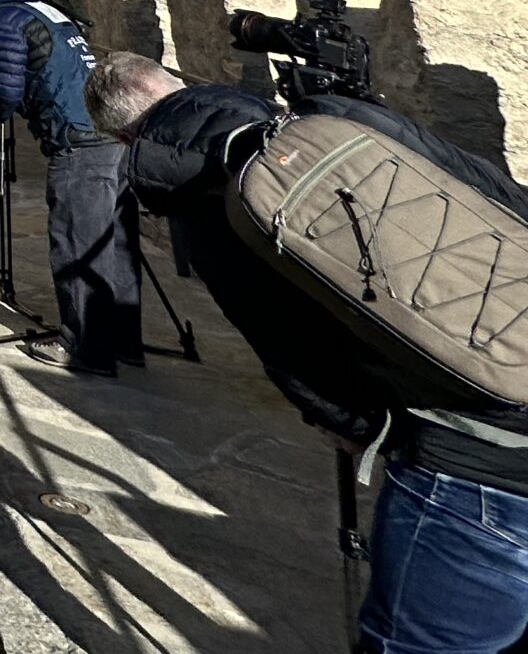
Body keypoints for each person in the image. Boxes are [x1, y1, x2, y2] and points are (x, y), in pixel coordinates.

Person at [88, 52, 528, 654]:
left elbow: (288, 346)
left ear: (121, 137)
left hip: (480, 456)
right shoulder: (332, 118)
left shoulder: (216, 190)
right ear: (178, 83)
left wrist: (358, 428)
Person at [0, 0, 140, 376]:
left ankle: (86, 348)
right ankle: (123, 342)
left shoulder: (3, 18)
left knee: (77, 244)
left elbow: (7, 86)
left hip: (77, 141)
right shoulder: (44, 7)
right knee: (115, 243)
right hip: (110, 131)